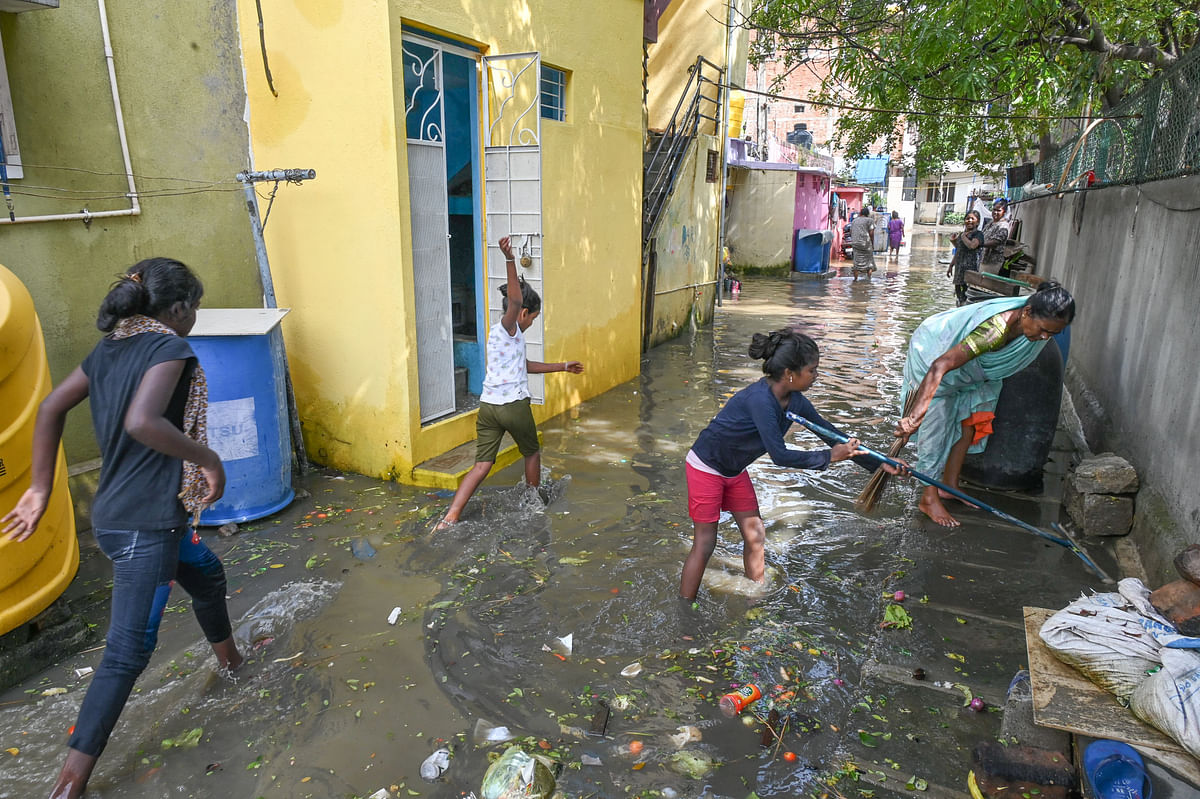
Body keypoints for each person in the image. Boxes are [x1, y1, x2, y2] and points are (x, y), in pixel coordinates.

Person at [1, 257, 243, 799]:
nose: (194, 319)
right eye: (195, 309)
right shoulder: (169, 347)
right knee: (128, 651)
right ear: (178, 309)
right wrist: (210, 459)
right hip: (145, 526)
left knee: (204, 574)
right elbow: (142, 422)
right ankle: (69, 785)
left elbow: (49, 409)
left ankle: (232, 662)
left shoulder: (110, 346)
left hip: (115, 516)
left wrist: (40, 487)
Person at [679, 328, 906, 600]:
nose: (816, 375)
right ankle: (685, 612)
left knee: (755, 534)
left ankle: (756, 594)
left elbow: (831, 434)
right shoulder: (760, 401)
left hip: (734, 469)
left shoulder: (794, 401)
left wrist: (880, 463)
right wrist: (829, 457)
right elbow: (780, 455)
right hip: (706, 467)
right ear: (790, 373)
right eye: (812, 370)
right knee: (705, 542)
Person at [894, 282, 1076, 527]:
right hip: (933, 354)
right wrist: (916, 414)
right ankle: (928, 497)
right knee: (936, 430)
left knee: (968, 424)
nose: (1045, 338)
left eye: (1053, 334)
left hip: (971, 368)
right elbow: (940, 365)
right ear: (1027, 312)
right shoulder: (993, 332)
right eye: (1044, 330)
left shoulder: (1032, 328)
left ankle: (949, 485)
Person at [436, 236, 583, 528]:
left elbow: (525, 366)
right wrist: (509, 259)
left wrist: (562, 366)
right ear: (522, 313)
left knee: (482, 465)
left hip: (488, 407)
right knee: (531, 452)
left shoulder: (499, 336)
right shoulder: (510, 325)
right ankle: (533, 501)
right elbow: (516, 299)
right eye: (533, 318)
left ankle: (451, 515)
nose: (530, 323)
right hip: (514, 406)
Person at [946, 210, 984, 305]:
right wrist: (951, 266)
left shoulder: (978, 234)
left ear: (977, 222)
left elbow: (972, 246)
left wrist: (963, 237)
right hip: (959, 271)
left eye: (972, 219)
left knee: (968, 295)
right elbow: (958, 251)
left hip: (970, 271)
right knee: (959, 295)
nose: (969, 220)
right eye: (967, 218)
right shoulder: (962, 234)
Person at [980, 198, 1012, 272]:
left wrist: (980, 244)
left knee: (987, 282)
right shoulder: (990, 223)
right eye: (994, 210)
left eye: (998, 210)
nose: (995, 212)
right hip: (983, 259)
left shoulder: (1003, 226)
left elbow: (995, 242)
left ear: (1004, 212)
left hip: (993, 262)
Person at [848, 207, 876, 279]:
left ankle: (855, 280)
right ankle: (869, 279)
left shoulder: (854, 221)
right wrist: (872, 244)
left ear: (860, 213)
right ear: (867, 214)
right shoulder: (870, 220)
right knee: (869, 262)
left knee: (856, 262)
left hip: (855, 243)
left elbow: (851, 232)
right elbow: (871, 233)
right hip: (866, 243)